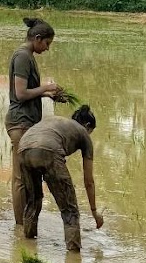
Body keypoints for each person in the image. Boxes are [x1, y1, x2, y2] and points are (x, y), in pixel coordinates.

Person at [6, 18, 72, 228]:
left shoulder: (28, 56)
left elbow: (28, 93)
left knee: (27, 178)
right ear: (37, 38)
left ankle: (25, 222)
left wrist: (48, 95)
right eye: (47, 44)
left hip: (27, 123)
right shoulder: (23, 57)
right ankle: (20, 225)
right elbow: (20, 93)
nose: (47, 48)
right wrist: (45, 88)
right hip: (20, 123)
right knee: (21, 178)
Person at [18, 105, 103, 251]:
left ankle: (28, 246)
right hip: (48, 150)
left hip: (23, 149)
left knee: (33, 202)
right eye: (91, 132)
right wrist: (94, 211)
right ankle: (74, 257)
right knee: (70, 209)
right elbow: (89, 181)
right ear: (87, 126)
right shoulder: (83, 133)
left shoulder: (59, 123)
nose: (89, 135)